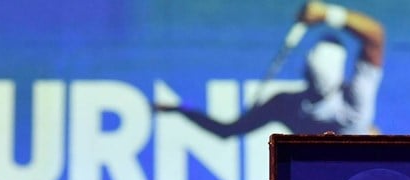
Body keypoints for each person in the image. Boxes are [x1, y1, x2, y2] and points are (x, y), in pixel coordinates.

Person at [158, 2, 386, 135]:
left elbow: (226, 130)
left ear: (305, 70)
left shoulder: (286, 105)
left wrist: (182, 109)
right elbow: (375, 36)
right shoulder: (355, 102)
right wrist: (328, 14)